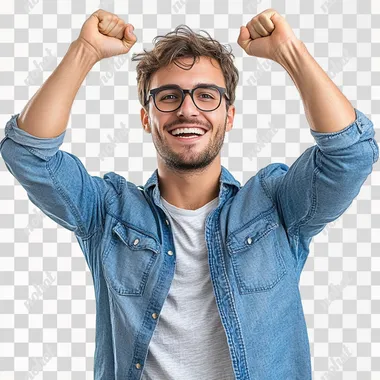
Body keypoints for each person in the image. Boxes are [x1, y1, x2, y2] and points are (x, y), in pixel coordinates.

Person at [0, 8, 378, 380]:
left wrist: (289, 52)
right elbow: (29, 154)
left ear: (229, 115)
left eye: (206, 96)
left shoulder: (276, 206)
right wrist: (85, 50)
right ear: (146, 117)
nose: (187, 110)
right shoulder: (106, 212)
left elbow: (350, 154)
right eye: (168, 97)